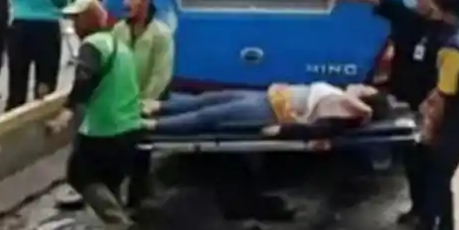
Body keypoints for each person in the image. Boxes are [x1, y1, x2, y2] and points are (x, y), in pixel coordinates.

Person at [332, 0, 443, 230]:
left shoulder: (443, 31)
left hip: (430, 105)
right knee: (411, 162)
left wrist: (434, 111)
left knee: (430, 166)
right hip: (403, 102)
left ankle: (432, 221)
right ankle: (418, 211)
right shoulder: (405, 17)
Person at [46, 0, 143, 230]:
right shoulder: (119, 45)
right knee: (110, 179)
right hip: (130, 125)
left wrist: (66, 113)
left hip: (105, 126)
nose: (74, 26)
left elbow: (84, 79)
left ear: (87, 20)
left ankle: (115, 221)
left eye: (77, 19)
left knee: (79, 173)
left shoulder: (93, 46)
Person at [399, 0, 459, 230]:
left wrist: (428, 129)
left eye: (435, 6)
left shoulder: (451, 49)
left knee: (439, 179)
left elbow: (444, 95)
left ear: (446, 12)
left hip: (458, 119)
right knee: (430, 175)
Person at [111, 0, 175, 211]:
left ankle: (137, 194)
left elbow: (161, 73)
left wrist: (145, 102)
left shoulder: (160, 33)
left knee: (139, 149)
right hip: (121, 100)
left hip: (147, 101)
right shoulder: (118, 31)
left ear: (146, 1)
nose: (127, 3)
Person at [142, 82, 388, 135]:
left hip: (268, 111)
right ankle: (158, 107)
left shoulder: (347, 109)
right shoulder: (344, 99)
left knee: (209, 116)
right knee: (209, 98)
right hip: (268, 97)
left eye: (366, 89)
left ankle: (154, 124)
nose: (360, 86)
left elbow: (314, 130)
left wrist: (281, 131)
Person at [6, 0, 71, 110]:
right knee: (46, 76)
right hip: (47, 28)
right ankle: (43, 110)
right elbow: (65, 1)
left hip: (19, 26)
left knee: (17, 75)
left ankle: (14, 110)